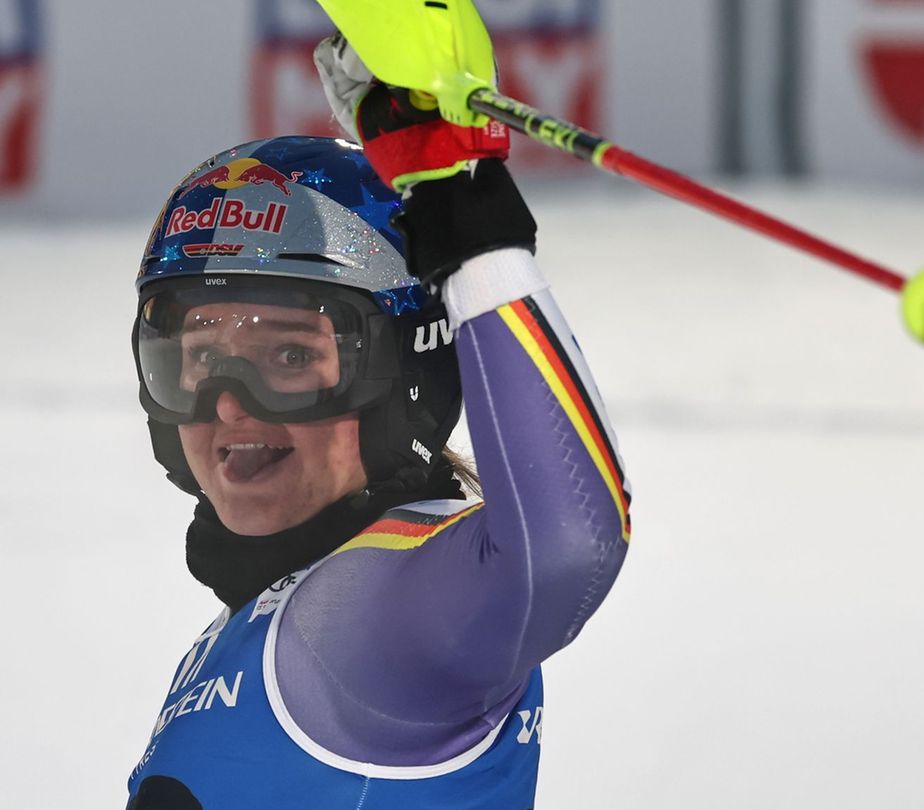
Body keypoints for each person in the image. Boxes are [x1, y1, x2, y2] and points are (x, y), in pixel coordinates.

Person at [124, 32, 631, 809]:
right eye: (197, 355)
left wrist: (469, 220)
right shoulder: (280, 615)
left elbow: (565, 549)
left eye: (290, 359)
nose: (227, 402)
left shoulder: (369, 614)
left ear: (407, 375)